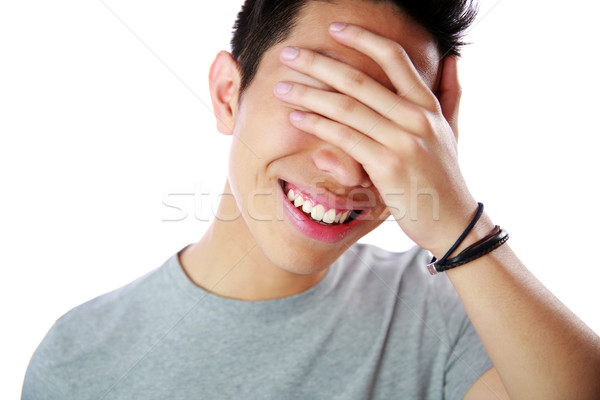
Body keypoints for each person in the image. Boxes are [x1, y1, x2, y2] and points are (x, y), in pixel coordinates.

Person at [22, 0, 600, 399]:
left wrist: (458, 223)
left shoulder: (449, 315)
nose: (347, 168)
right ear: (229, 94)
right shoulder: (78, 357)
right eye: (323, 103)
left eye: (384, 125)